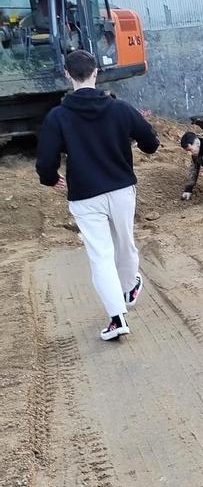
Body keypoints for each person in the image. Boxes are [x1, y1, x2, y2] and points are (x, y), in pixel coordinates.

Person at [36, 49, 160, 341]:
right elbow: (151, 143)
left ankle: (117, 318)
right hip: (120, 189)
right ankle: (130, 286)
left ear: (67, 74)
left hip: (84, 195)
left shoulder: (58, 117)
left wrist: (51, 179)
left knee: (101, 256)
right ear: (96, 73)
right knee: (126, 243)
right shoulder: (120, 109)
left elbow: (45, 162)